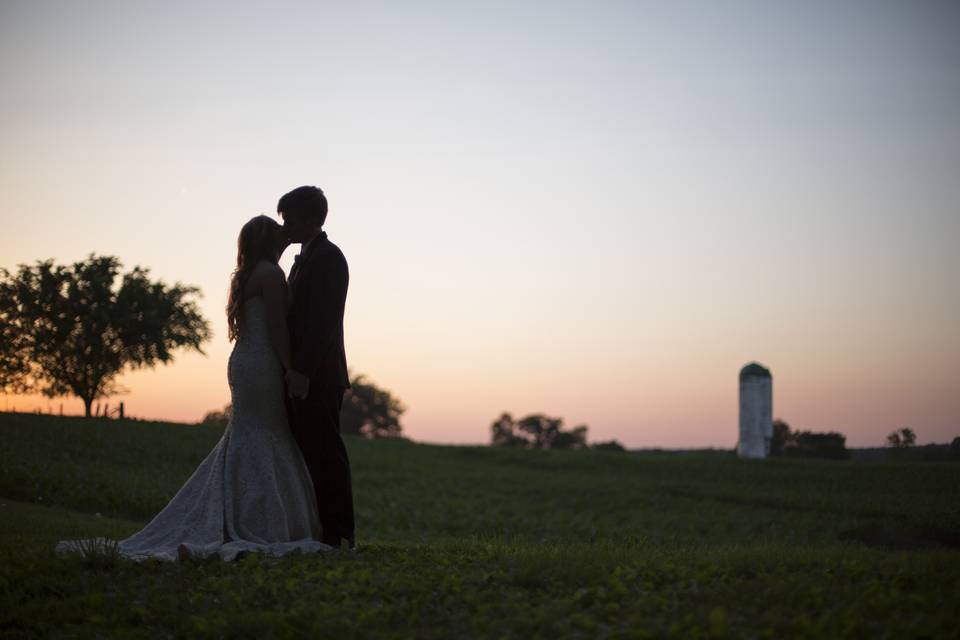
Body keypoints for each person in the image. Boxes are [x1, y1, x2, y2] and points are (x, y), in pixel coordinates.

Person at [56, 215, 332, 562]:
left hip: (244, 361)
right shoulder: (271, 274)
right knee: (265, 433)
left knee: (250, 432)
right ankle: (261, 520)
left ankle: (239, 511)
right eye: (277, 230)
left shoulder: (246, 275)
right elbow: (277, 327)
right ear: (267, 239)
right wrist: (291, 368)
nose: (284, 232)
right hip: (263, 364)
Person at [278, 185, 355, 549]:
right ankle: (320, 527)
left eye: (289, 218)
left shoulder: (328, 258)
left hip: (319, 376)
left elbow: (322, 324)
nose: (285, 225)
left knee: (326, 454)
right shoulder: (306, 257)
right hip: (306, 373)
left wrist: (302, 372)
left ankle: (338, 533)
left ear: (310, 219)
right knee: (310, 451)